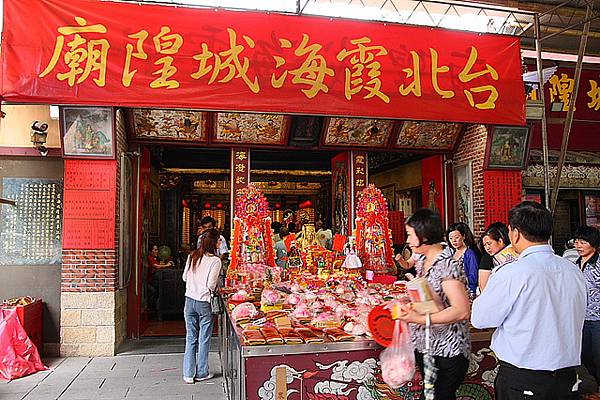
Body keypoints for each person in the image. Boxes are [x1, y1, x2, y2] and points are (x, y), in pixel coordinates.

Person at [472, 201, 587, 400]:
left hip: (523, 378)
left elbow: (481, 319)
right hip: (567, 377)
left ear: (515, 233)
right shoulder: (573, 270)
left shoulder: (511, 272)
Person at [396, 208, 471, 400]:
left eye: (410, 235)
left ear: (424, 236)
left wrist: (420, 318)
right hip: (427, 345)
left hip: (447, 349)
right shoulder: (423, 259)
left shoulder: (447, 264)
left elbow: (461, 310)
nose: (408, 241)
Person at [182, 228, 222, 384]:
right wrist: (217, 287)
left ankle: (188, 373)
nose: (220, 243)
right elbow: (211, 284)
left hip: (189, 301)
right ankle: (202, 372)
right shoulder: (215, 261)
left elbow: (185, 277)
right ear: (213, 242)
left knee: (191, 337)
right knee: (204, 338)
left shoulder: (192, 256)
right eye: (219, 240)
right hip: (204, 302)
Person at [574, 226, 600, 387]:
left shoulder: (598, 264)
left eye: (583, 242)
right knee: (584, 355)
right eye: (576, 242)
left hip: (598, 319)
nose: (578, 245)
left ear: (594, 243)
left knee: (598, 356)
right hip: (580, 318)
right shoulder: (574, 264)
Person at [446, 222, 479, 296]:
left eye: (456, 237)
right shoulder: (451, 253)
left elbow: (474, 277)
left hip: (467, 292)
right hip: (453, 291)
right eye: (451, 238)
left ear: (463, 236)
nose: (453, 240)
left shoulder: (469, 254)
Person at [478, 222, 510, 291]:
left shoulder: (515, 253)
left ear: (500, 241)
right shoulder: (487, 259)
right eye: (485, 245)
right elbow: (483, 286)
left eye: (489, 244)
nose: (487, 248)